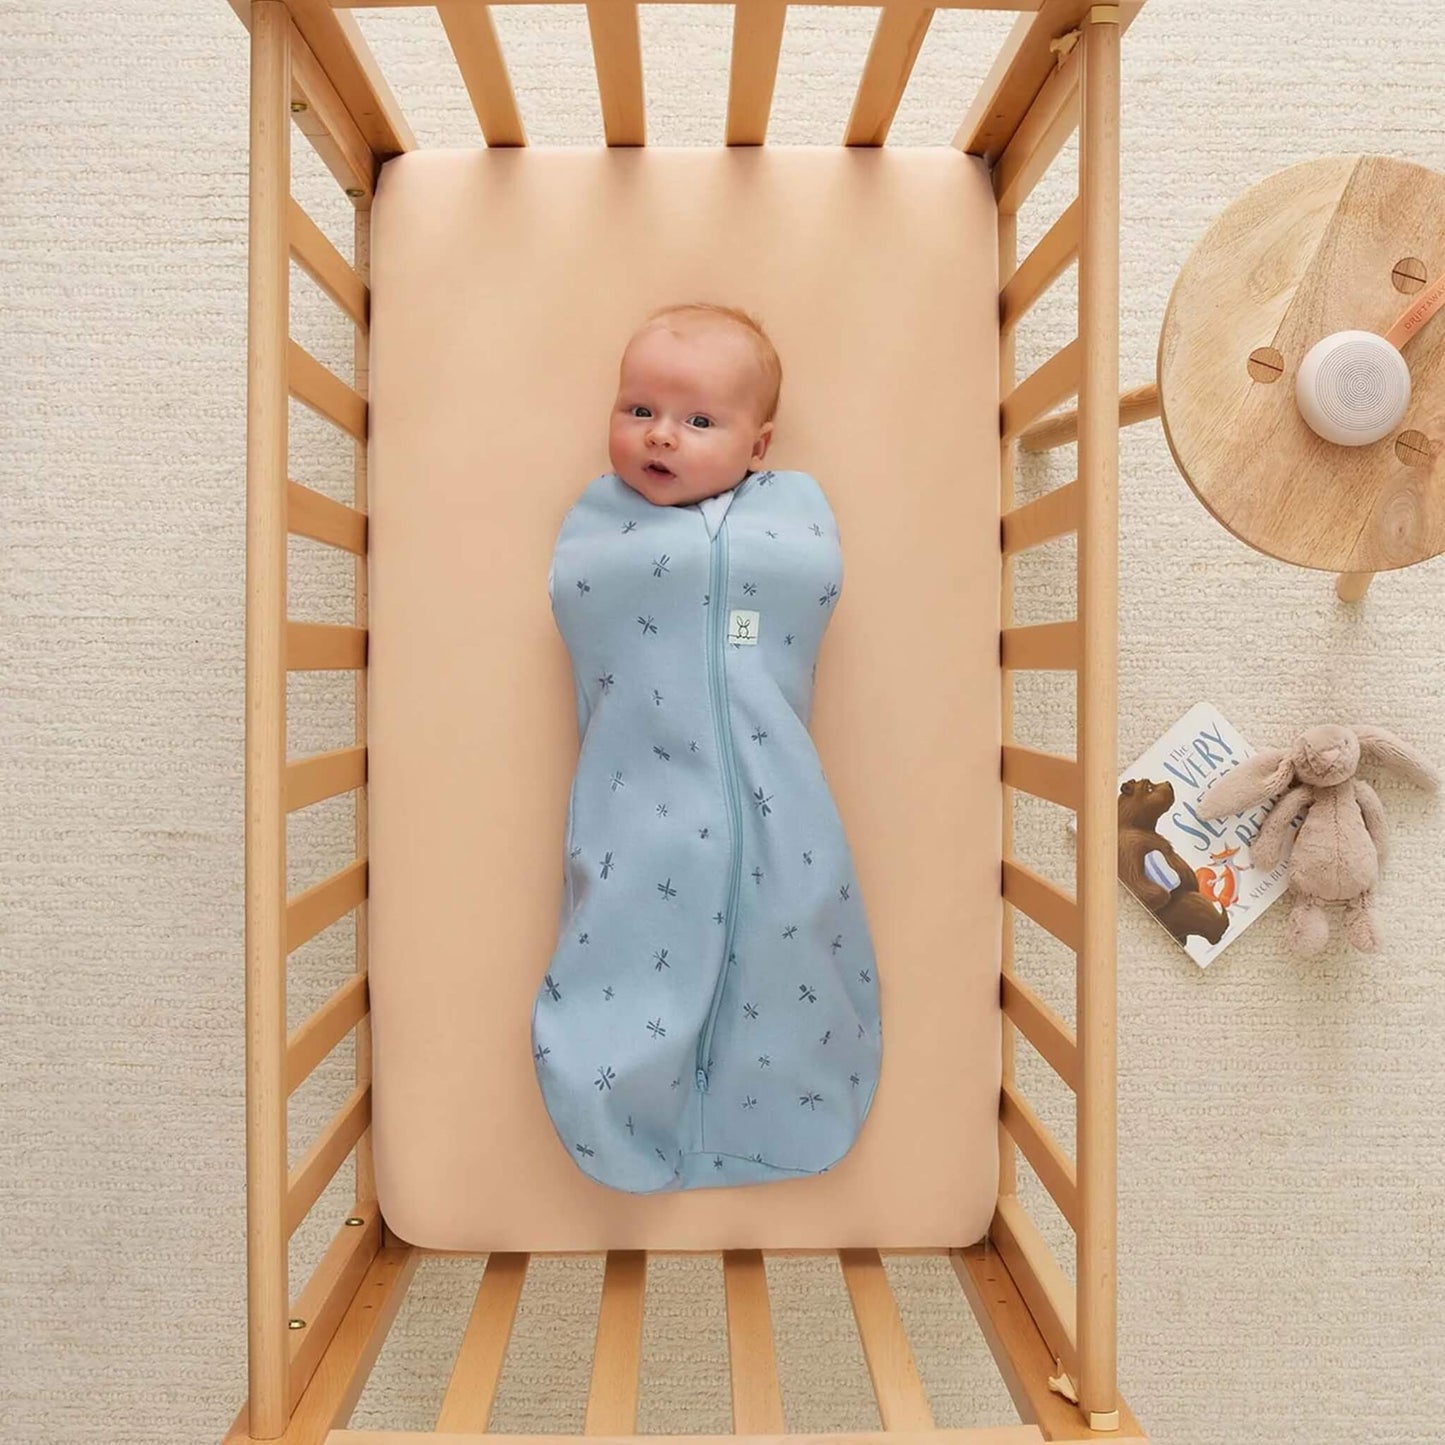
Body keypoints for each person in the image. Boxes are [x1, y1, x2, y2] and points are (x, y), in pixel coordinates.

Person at [532, 301, 882, 1196]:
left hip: (778, 785)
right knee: (628, 921)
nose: (661, 436)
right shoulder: (601, 524)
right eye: (638, 409)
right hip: (638, 788)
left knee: (792, 916)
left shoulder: (791, 511)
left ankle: (781, 1107)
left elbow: (804, 585)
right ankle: (617, 1105)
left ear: (759, 447)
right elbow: (592, 604)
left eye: (697, 420)